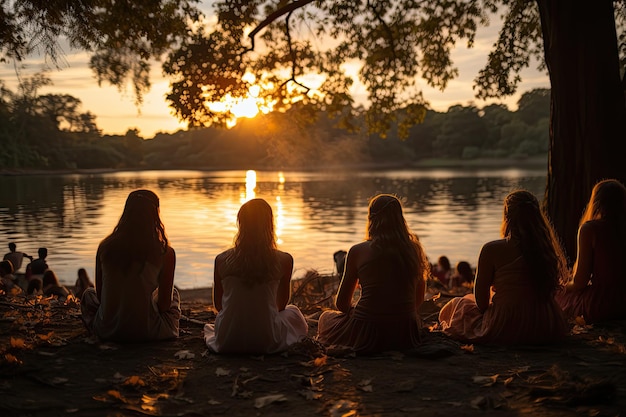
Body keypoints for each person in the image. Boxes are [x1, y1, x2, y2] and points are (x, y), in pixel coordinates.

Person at [438, 190, 568, 345]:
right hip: (545, 322)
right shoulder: (545, 249)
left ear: (507, 217)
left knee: (457, 306)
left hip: (507, 323)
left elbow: (481, 302)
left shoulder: (491, 249)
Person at [316, 194, 429, 354]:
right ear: (400, 218)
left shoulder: (358, 251)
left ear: (370, 218)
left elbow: (341, 304)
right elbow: (417, 301)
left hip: (367, 329)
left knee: (325, 318)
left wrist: (361, 310)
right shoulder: (414, 250)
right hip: (404, 331)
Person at [204, 198, 308, 354]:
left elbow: (219, 306)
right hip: (266, 339)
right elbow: (281, 306)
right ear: (270, 225)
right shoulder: (284, 260)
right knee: (293, 312)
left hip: (228, 340)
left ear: (240, 224)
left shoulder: (221, 259)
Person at [81, 189, 180, 342]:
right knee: (173, 294)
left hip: (108, 330)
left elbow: (100, 296)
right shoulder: (165, 252)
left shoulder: (105, 247)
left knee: (89, 294)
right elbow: (164, 306)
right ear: (156, 214)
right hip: (147, 332)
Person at [556, 179, 626, 323]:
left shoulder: (590, 229)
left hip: (603, 304)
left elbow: (580, 281)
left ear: (596, 202)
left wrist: (563, 287)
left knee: (559, 298)